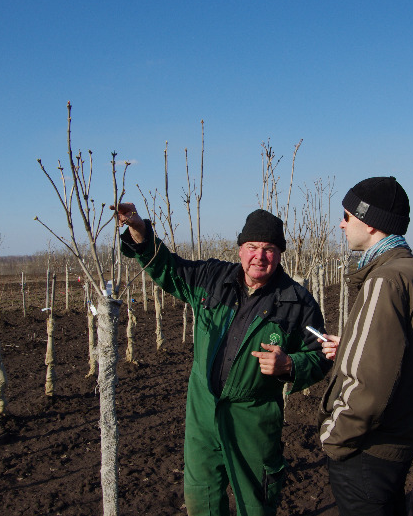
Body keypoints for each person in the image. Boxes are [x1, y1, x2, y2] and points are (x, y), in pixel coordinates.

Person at [114, 203, 331, 516]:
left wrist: (290, 366)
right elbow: (167, 268)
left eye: (269, 249)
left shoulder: (297, 302)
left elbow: (320, 353)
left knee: (255, 505)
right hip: (203, 411)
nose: (260, 256)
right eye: (252, 247)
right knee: (201, 501)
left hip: (253, 419)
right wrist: (138, 228)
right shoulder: (211, 278)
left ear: (280, 253)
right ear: (240, 249)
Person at [317, 176, 413, 515]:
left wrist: (335, 436)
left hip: (368, 449)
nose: (341, 224)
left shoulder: (385, 279)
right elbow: (408, 357)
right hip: (399, 441)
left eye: (347, 216)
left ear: (371, 222)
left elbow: (371, 382)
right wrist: (350, 346)